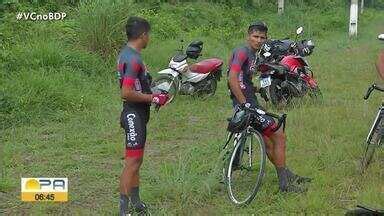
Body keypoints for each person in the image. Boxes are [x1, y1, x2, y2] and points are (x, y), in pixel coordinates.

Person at [227, 21, 311, 193]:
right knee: (279, 136)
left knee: (269, 143)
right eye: (255, 36)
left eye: (262, 38)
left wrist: (256, 89)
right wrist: (244, 104)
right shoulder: (242, 52)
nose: (258, 40)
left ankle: (286, 175)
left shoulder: (253, 54)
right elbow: (232, 79)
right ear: (248, 36)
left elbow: (244, 80)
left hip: (251, 100)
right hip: (247, 104)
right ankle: (285, 184)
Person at [117, 16, 169, 215]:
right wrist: (153, 99)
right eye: (149, 35)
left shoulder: (128, 54)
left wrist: (153, 93)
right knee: (132, 162)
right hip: (133, 114)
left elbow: (138, 85)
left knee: (137, 160)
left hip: (137, 113)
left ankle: (136, 203)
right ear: (143, 35)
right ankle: (124, 211)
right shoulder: (133, 58)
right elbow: (126, 92)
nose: (150, 38)